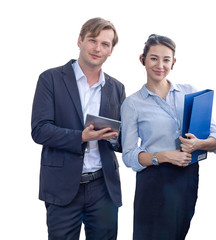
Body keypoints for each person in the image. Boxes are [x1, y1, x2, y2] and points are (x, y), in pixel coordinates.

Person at [121, 34, 216, 240]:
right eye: (153, 58)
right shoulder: (133, 103)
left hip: (187, 179)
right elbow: (129, 155)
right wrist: (165, 156)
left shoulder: (190, 93)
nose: (160, 65)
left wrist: (199, 144)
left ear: (173, 62)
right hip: (154, 182)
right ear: (142, 60)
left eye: (166, 59)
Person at [31, 17, 126, 240]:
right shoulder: (50, 79)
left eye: (105, 44)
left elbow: (122, 141)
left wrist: (115, 137)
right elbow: (40, 130)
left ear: (111, 50)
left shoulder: (117, 88)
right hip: (62, 187)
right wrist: (80, 137)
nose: (97, 48)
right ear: (80, 41)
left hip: (103, 188)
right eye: (93, 40)